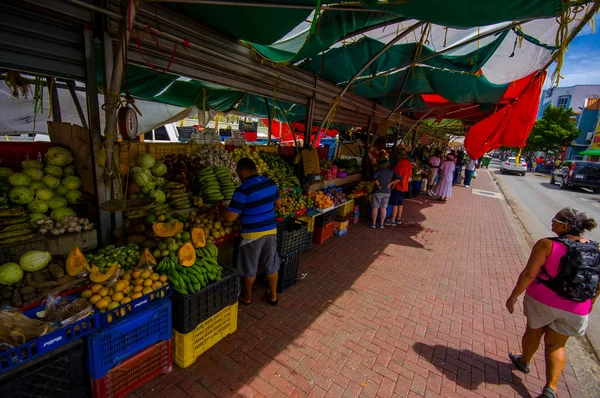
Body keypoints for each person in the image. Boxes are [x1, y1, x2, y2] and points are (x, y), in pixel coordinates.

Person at [506, 207, 600, 398]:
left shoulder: (546, 245)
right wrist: (591, 302)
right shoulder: (596, 248)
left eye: (555, 220)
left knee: (534, 331)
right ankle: (551, 388)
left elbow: (529, 274)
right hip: (577, 307)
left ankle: (524, 361)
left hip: (543, 300)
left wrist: (514, 295)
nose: (552, 223)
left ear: (565, 226)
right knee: (557, 345)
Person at [219, 158, 281, 306]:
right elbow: (278, 204)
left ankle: (246, 297)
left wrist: (221, 211)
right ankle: (273, 296)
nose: (238, 176)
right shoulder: (270, 182)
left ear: (244, 171)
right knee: (271, 264)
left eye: (238, 172)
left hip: (252, 235)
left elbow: (230, 217)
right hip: (271, 230)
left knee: (249, 268)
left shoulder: (243, 189)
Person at [370, 157, 401, 229]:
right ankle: (381, 224)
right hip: (387, 192)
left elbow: (374, 177)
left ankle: (373, 224)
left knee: (375, 208)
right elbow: (399, 178)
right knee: (383, 208)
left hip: (378, 191)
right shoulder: (391, 171)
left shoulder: (378, 171)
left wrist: (378, 184)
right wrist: (390, 184)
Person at [388, 148, 412, 226]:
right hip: (404, 186)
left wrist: (391, 184)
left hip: (398, 186)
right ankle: (398, 218)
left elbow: (398, 177)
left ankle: (392, 220)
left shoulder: (400, 163)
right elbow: (409, 175)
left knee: (394, 203)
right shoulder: (409, 163)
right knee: (400, 203)